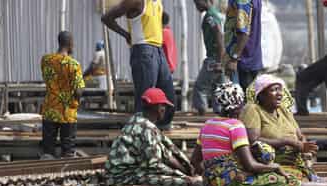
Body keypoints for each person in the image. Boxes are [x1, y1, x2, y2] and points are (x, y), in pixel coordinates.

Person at [191, 82, 327, 186]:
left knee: (284, 177)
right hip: (231, 182)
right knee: (285, 181)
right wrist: (274, 167)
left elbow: (195, 161)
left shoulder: (208, 125)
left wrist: (212, 176)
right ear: (238, 103)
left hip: (212, 183)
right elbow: (250, 165)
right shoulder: (235, 126)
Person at [102, 0, 175, 129]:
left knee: (168, 95)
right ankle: (140, 132)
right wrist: (125, 34)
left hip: (158, 49)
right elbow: (107, 18)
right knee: (146, 96)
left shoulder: (158, 2)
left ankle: (161, 129)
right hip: (143, 49)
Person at [40, 31, 85, 159]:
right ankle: (67, 175)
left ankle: (45, 174)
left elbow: (48, 78)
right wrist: (77, 99)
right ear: (70, 44)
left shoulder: (46, 60)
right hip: (67, 112)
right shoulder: (73, 64)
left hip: (50, 109)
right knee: (68, 151)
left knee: (48, 150)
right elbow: (78, 90)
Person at [192, 0, 225, 115]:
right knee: (218, 88)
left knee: (200, 87)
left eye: (197, 3)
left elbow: (219, 35)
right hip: (219, 57)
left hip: (214, 58)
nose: (196, 6)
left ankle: (202, 115)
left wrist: (219, 62)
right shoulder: (214, 13)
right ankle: (220, 113)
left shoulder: (210, 16)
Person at [223, 0, 263, 91]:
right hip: (251, 57)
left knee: (241, 99)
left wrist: (234, 59)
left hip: (242, 59)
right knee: (250, 99)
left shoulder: (241, 1)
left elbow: (243, 33)